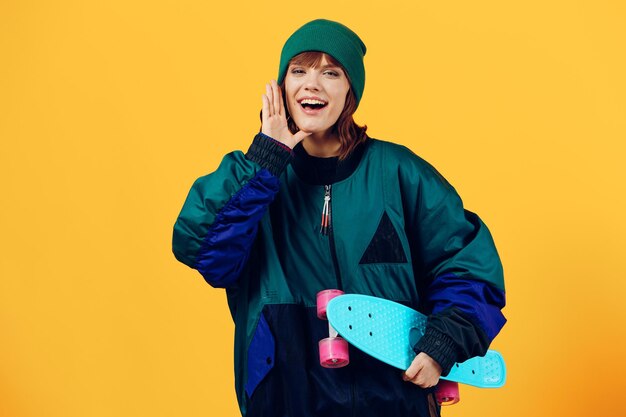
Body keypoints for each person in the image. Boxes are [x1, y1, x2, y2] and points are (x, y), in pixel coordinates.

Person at [172, 19, 506, 417]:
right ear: (283, 87)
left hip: (393, 400)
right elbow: (206, 252)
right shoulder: (256, 181)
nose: (312, 84)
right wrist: (265, 160)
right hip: (286, 399)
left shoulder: (398, 172)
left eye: (331, 73)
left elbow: (469, 268)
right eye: (299, 71)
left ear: (350, 91)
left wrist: (444, 343)